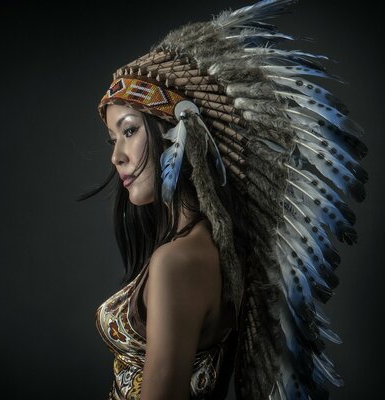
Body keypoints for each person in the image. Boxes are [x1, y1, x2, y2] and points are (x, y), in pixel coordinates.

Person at [77, 0, 368, 399]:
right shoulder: (203, 249)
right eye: (113, 139)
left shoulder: (176, 262)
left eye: (129, 131)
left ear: (178, 134)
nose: (117, 157)